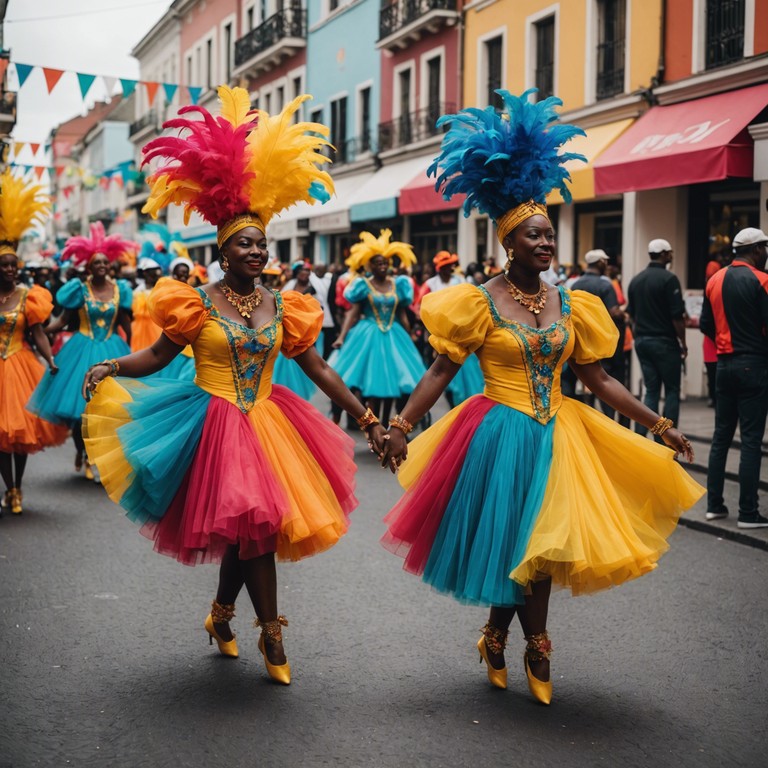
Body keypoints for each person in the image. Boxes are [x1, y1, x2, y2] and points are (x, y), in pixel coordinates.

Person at [378, 90, 703, 706]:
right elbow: (441, 371)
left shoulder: (572, 302)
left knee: (537, 549)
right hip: (498, 433)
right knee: (512, 544)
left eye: (550, 234)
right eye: (534, 235)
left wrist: (659, 425)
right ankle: (535, 645)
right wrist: (401, 424)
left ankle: (500, 637)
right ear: (509, 241)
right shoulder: (477, 301)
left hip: (560, 435)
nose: (546, 243)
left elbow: (600, 380)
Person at [81, 86, 386, 686]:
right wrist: (113, 366)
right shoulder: (194, 304)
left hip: (271, 423)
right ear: (223, 253)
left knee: (251, 535)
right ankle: (271, 633)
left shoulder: (286, 305)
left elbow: (319, 369)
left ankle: (223, 617)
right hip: (211, 422)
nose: (256, 251)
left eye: (261, 244)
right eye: (244, 244)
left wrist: (369, 418)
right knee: (253, 539)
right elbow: (158, 354)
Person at [27, 222, 136, 482]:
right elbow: (63, 319)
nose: (101, 266)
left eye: (104, 262)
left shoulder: (121, 290)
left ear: (109, 265)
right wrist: (44, 329)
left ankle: (97, 457)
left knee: (109, 411)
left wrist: (129, 347)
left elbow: (123, 321)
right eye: (96, 263)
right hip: (81, 350)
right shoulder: (78, 289)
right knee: (81, 412)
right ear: (89, 267)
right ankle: (82, 452)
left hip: (112, 348)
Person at [0, 170, 68, 515]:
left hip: (21, 363)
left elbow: (39, 332)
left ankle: (18, 489)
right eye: (5, 265)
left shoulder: (30, 296)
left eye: (14, 265)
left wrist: (50, 360)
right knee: (1, 439)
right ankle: (9, 488)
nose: (11, 270)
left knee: (22, 437)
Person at [700, 227, 768, 529]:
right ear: (756, 250)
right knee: (751, 440)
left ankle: (714, 506)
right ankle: (748, 513)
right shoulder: (762, 280)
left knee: (721, 437)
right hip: (754, 363)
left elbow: (705, 325)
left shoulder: (714, 280)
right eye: (765, 248)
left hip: (723, 366)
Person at [331, 229, 427, 425]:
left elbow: (401, 313)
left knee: (395, 381)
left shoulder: (398, 284)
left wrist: (409, 335)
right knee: (371, 381)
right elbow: (353, 313)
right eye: (378, 263)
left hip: (394, 334)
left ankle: (388, 423)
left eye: (385, 263)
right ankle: (372, 425)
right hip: (367, 334)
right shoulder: (363, 285)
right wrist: (342, 336)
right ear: (370, 266)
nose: (383, 266)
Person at [627, 239, 687, 438]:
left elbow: (631, 315)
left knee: (651, 390)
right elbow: (677, 316)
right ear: (663, 254)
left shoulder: (636, 280)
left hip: (643, 341)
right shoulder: (669, 279)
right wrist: (683, 343)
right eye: (670, 252)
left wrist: (638, 336)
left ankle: (641, 434)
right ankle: (667, 437)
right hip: (664, 342)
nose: (671, 255)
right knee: (671, 390)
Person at [571, 249, 624, 419]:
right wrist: (624, 315)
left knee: (588, 379)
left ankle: (591, 415)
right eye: (605, 261)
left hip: (582, 341)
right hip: (602, 343)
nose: (607, 265)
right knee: (604, 380)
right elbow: (614, 312)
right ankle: (608, 420)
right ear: (600, 262)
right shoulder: (605, 285)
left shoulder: (576, 284)